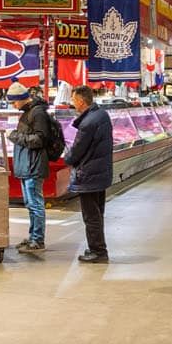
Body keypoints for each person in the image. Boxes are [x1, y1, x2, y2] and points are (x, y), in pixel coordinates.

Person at [63, 85, 113, 263]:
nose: (72, 103)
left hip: (89, 174)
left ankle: (98, 251)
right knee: (97, 213)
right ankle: (99, 248)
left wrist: (66, 158)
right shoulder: (101, 115)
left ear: (81, 101)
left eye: (73, 100)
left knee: (91, 215)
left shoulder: (88, 123)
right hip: (100, 172)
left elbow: (77, 150)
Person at [6, 82, 53, 253]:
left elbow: (40, 139)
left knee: (35, 204)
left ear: (20, 98)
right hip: (27, 165)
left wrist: (14, 136)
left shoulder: (37, 113)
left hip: (33, 165)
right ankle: (33, 236)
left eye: (14, 102)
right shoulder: (28, 113)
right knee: (30, 203)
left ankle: (38, 240)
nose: (13, 105)